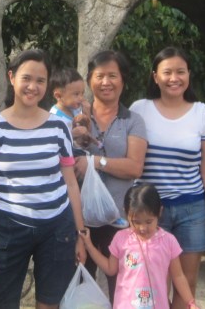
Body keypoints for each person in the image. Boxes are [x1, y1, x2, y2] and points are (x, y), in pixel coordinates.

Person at [0, 49, 87, 309]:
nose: (32, 87)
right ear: (11, 77)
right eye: (26, 78)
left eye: (40, 80)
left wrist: (80, 234)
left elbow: (71, 183)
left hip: (57, 227)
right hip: (8, 227)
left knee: (50, 302)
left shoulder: (58, 127)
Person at [130, 47, 205, 309]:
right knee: (152, 283)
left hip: (191, 210)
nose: (174, 78)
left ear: (189, 74)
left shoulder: (202, 113)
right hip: (148, 211)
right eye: (167, 72)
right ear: (155, 77)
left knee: (186, 284)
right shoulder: (140, 109)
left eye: (180, 72)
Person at [71, 50, 148, 300]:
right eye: (99, 76)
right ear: (89, 80)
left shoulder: (133, 121)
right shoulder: (74, 117)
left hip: (120, 221)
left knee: (123, 291)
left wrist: (95, 162)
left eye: (112, 76)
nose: (106, 82)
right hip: (80, 221)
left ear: (123, 80)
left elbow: (134, 167)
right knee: (80, 289)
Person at [80, 184, 201, 309]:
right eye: (136, 222)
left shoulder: (169, 241)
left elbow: (178, 276)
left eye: (149, 222)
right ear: (126, 213)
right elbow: (110, 268)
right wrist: (89, 246)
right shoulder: (121, 239)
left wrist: (190, 303)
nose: (142, 228)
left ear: (159, 212)